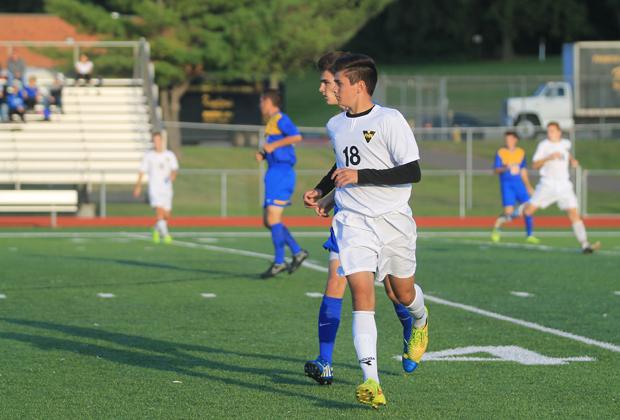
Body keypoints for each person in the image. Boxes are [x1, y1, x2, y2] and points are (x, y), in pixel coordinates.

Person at [311, 53, 427, 408]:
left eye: (338, 84)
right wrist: (323, 191)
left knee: (403, 293)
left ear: (359, 86)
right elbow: (344, 163)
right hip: (353, 221)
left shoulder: (390, 120)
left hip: (393, 220)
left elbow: (412, 172)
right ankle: (371, 381)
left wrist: (360, 177)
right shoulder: (335, 124)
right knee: (362, 293)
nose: (331, 89)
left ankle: (420, 320)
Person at [255, 89, 308, 279]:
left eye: (262, 101)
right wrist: (264, 153)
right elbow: (277, 145)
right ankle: (296, 251)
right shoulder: (271, 123)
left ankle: (279, 262)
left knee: (272, 219)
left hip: (281, 172)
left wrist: (272, 147)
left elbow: (296, 136)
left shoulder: (280, 118)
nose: (260, 105)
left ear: (270, 102)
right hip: (274, 171)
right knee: (268, 221)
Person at [524, 122, 600, 254]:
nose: (550, 133)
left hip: (564, 185)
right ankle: (513, 212)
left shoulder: (565, 143)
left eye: (552, 131)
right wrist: (548, 157)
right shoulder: (543, 146)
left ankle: (585, 244)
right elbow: (535, 165)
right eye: (548, 131)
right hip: (547, 184)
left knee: (574, 213)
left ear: (559, 132)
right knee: (528, 211)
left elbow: (567, 153)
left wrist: (572, 160)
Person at [491, 131, 539, 243]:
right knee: (508, 212)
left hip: (519, 185)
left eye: (510, 139)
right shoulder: (501, 152)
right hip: (507, 185)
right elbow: (496, 170)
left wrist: (528, 186)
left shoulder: (521, 152)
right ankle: (498, 227)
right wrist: (505, 168)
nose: (508, 141)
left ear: (515, 140)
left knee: (529, 207)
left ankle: (529, 235)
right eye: (506, 139)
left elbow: (523, 171)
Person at [133, 132, 179, 244]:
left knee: (167, 215)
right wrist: (138, 186)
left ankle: (156, 229)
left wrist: (173, 176)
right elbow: (142, 171)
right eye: (155, 141)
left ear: (162, 141)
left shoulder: (169, 155)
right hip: (154, 189)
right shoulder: (149, 156)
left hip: (167, 189)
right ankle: (166, 235)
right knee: (159, 212)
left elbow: (174, 169)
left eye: (158, 140)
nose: (156, 143)